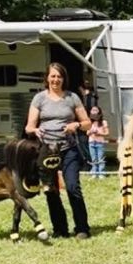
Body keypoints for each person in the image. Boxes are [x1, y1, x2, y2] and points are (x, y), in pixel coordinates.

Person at [25, 63, 93, 239]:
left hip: (68, 148)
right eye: (52, 76)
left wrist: (75, 124)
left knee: (72, 187)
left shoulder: (72, 98)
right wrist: (35, 130)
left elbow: (88, 124)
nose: (55, 80)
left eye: (59, 77)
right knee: (51, 190)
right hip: (47, 151)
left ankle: (82, 228)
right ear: (47, 78)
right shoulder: (39, 98)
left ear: (63, 79)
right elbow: (28, 127)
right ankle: (60, 229)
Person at [81, 85, 109, 174]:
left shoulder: (103, 122)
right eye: (92, 110)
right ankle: (94, 173)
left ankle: (101, 173)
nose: (93, 112)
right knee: (93, 158)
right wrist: (90, 132)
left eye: (95, 110)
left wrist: (99, 133)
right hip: (91, 142)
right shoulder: (89, 122)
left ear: (99, 113)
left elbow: (107, 133)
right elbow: (87, 133)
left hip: (100, 142)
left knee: (100, 158)